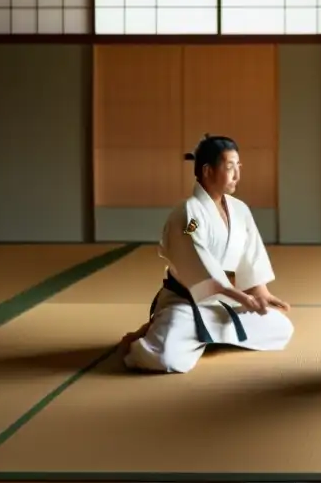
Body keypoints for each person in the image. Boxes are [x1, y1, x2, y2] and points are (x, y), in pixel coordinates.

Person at [119, 134, 294, 374]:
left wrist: (261, 294)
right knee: (165, 358)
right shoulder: (189, 214)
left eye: (239, 167)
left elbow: (251, 257)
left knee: (281, 328)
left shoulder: (239, 210)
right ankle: (158, 329)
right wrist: (240, 297)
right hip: (187, 302)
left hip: (224, 303)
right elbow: (194, 255)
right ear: (208, 171)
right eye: (230, 167)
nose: (237, 175)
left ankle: (200, 336)